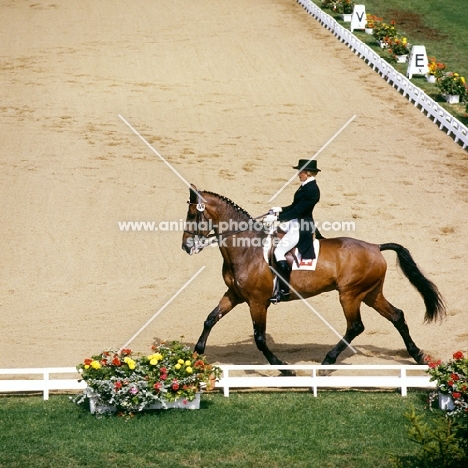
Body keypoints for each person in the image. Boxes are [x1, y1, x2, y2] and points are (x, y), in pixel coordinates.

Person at [267, 159, 321, 303]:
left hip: (301, 226)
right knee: (270, 232)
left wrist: (278, 217)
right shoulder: (305, 186)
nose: (298, 174)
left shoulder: (312, 190)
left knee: (279, 252)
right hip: (294, 222)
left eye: (300, 171)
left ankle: (284, 291)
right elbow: (294, 206)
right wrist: (280, 209)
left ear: (307, 173)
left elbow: (298, 211)